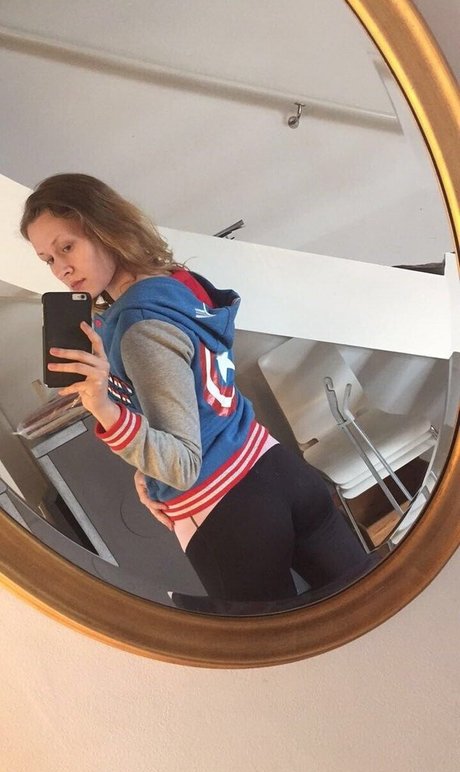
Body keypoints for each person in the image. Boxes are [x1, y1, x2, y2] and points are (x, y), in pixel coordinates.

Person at [21, 173, 374, 603]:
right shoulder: (173, 282)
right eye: (48, 259)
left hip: (227, 513)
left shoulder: (137, 326)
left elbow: (182, 466)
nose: (61, 268)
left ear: (104, 228)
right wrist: (147, 468)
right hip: (279, 470)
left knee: (281, 645)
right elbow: (191, 402)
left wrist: (103, 408)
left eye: (67, 247)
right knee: (372, 606)